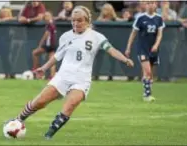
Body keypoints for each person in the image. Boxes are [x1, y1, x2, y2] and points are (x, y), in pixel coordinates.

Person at [7, 5, 134, 139]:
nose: (76, 23)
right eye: (73, 20)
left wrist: (125, 59)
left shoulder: (97, 37)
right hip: (63, 76)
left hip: (82, 79)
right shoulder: (66, 36)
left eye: (79, 20)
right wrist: (43, 68)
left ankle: (48, 136)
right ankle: (17, 120)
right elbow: (57, 56)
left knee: (70, 105)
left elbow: (111, 50)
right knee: (40, 102)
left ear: (87, 21)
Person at [125, 1, 165, 102]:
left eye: (152, 3)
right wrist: (128, 47)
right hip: (142, 48)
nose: (150, 5)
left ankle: (146, 91)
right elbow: (133, 34)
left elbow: (160, 34)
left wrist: (156, 45)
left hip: (153, 49)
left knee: (150, 74)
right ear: (145, 5)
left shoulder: (159, 19)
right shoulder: (140, 18)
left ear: (156, 5)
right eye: (148, 3)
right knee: (147, 71)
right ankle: (147, 95)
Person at [32, 11, 57, 79]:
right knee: (51, 60)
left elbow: (46, 34)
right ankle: (52, 76)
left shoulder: (50, 24)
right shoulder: (52, 23)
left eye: (47, 16)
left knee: (35, 53)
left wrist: (40, 44)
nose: (46, 17)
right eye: (45, 16)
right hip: (53, 45)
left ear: (51, 16)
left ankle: (36, 69)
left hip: (49, 45)